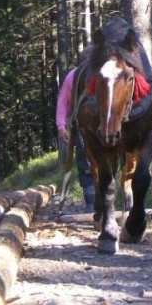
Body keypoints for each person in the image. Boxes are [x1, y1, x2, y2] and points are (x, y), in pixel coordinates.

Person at [56, 68, 95, 213]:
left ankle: (106, 201)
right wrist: (61, 126)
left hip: (106, 128)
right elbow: (64, 101)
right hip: (83, 126)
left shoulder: (109, 72)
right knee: (85, 164)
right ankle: (91, 202)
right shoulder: (75, 75)